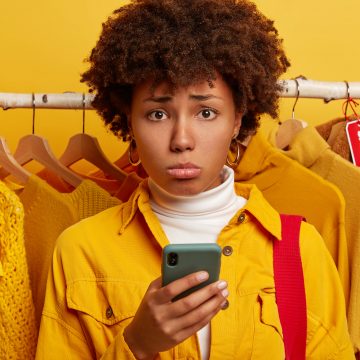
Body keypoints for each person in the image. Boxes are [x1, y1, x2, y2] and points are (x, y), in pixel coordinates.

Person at [36, 0, 354, 358]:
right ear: (129, 123)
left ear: (237, 120)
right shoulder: (80, 250)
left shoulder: (301, 249)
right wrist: (137, 345)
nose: (182, 140)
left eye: (206, 112)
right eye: (157, 114)